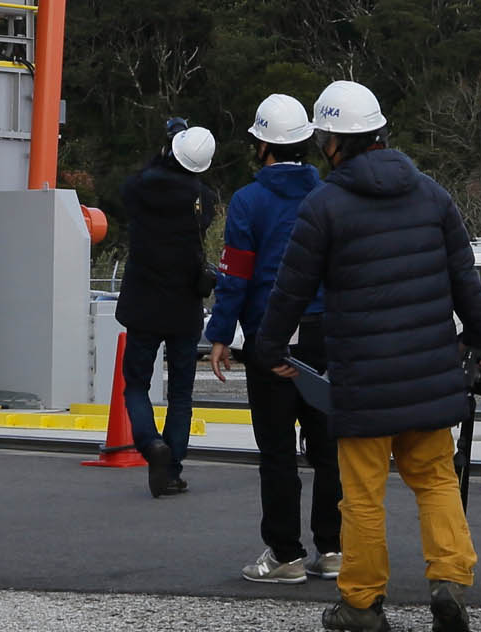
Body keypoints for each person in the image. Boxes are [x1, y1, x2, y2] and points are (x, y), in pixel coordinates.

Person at [257, 79, 481, 632]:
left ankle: (362, 604)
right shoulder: (432, 195)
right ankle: (449, 582)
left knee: (362, 496)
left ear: (332, 141)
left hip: (362, 379)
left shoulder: (325, 205)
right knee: (436, 478)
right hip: (429, 372)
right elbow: (466, 280)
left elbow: (290, 290)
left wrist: (270, 348)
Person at [206, 94, 341, 584]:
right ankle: (334, 549)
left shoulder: (248, 200)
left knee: (279, 452)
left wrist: (221, 333)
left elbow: (236, 276)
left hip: (271, 337)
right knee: (330, 450)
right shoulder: (328, 194)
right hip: (326, 335)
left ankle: (285, 555)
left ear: (263, 145)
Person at [117, 121, 222, 498]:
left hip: (143, 302)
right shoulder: (204, 200)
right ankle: (173, 469)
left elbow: (132, 187)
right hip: (184, 306)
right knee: (181, 393)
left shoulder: (139, 188)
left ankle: (150, 444)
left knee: (137, 384)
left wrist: (163, 152)